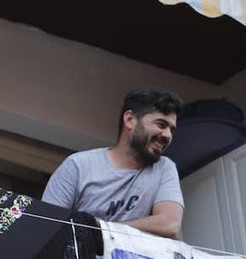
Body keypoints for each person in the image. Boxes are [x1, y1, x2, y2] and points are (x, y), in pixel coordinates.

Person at [42, 88, 185, 238]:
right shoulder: (78, 166)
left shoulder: (164, 168)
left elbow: (169, 225)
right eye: (161, 124)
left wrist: (100, 230)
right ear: (130, 120)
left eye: (172, 130)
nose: (167, 136)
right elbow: (47, 226)